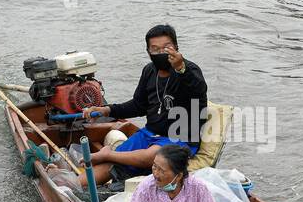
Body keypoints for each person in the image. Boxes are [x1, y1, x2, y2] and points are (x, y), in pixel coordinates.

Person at [79, 24, 208, 185]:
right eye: (155, 49)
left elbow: (199, 90)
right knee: (110, 165)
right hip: (150, 134)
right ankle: (70, 188)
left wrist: (181, 68)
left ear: (176, 47)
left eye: (166, 48)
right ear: (148, 52)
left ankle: (108, 154)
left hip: (181, 139)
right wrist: (107, 110)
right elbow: (138, 105)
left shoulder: (189, 70)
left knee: (155, 158)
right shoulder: (149, 71)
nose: (161, 53)